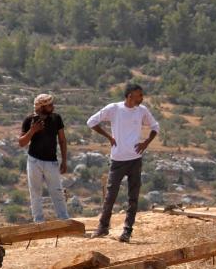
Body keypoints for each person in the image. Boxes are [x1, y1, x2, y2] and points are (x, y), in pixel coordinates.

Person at [86, 83, 160, 243]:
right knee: (111, 196)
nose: (142, 98)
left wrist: (146, 142)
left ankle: (127, 231)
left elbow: (155, 126)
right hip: (118, 159)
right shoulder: (114, 108)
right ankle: (102, 227)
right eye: (139, 95)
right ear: (130, 96)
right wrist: (109, 137)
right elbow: (91, 122)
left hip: (135, 159)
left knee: (133, 197)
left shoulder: (142, 111)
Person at [18, 93, 70, 223]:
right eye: (49, 105)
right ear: (41, 107)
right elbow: (21, 143)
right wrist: (33, 130)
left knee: (57, 191)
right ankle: (39, 221)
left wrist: (64, 160)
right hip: (34, 160)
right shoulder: (29, 120)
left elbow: (62, 140)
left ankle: (64, 219)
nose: (53, 107)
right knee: (35, 192)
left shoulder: (56, 118)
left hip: (51, 161)